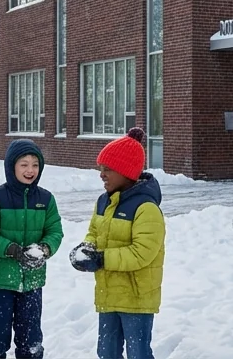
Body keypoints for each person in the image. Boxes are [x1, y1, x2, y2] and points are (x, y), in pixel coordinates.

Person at [70, 127, 165, 359]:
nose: (101, 175)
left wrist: (102, 259)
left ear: (126, 172)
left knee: (138, 353)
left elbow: (142, 253)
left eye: (107, 169)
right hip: (109, 293)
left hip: (136, 297)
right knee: (107, 352)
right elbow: (94, 231)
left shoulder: (146, 208)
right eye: (101, 169)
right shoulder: (103, 201)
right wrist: (87, 249)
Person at [0, 139, 64, 359]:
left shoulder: (45, 199)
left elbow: (55, 231)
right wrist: (12, 250)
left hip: (32, 282)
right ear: (11, 166)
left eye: (35, 164)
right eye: (24, 164)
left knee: (31, 343)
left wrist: (44, 249)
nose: (30, 170)